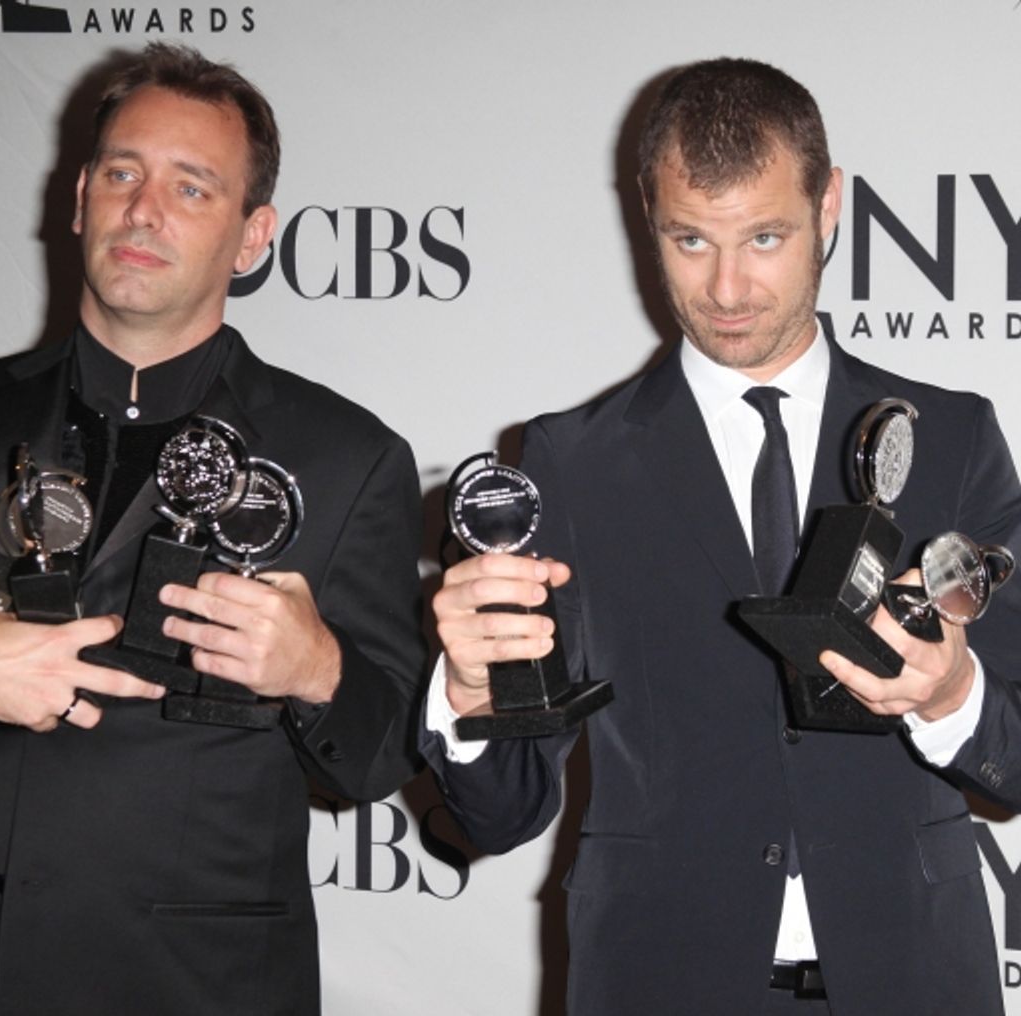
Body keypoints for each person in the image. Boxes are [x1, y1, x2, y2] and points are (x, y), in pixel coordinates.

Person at [0, 43, 427, 1016]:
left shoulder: (347, 458)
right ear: (77, 200)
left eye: (193, 188)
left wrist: (321, 670)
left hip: (195, 987)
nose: (145, 210)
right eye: (123, 173)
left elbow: (386, 752)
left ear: (252, 235)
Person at [422, 57, 1021, 1015]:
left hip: (916, 979)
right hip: (659, 980)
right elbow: (500, 811)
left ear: (831, 204)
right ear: (646, 218)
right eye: (689, 239)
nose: (729, 287)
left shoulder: (951, 439)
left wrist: (953, 694)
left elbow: (1016, 753)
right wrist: (462, 695)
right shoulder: (566, 465)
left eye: (767, 237)